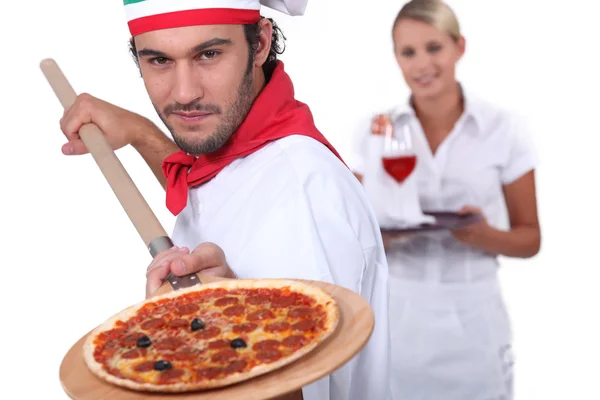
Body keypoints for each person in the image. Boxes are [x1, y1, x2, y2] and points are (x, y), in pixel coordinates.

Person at [58, 1, 391, 400]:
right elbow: (215, 189)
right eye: (159, 60)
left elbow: (304, 391)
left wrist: (230, 321)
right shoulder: (242, 156)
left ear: (262, 42)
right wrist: (141, 133)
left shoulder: (301, 188)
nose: (184, 93)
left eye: (209, 54)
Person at [351, 1, 541, 399]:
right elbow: (359, 233)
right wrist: (385, 232)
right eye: (409, 52)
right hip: (397, 323)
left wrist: (484, 235)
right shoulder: (378, 130)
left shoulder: (503, 130)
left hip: (474, 326)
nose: (422, 64)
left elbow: (530, 239)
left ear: (459, 47)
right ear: (396, 59)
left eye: (434, 48)